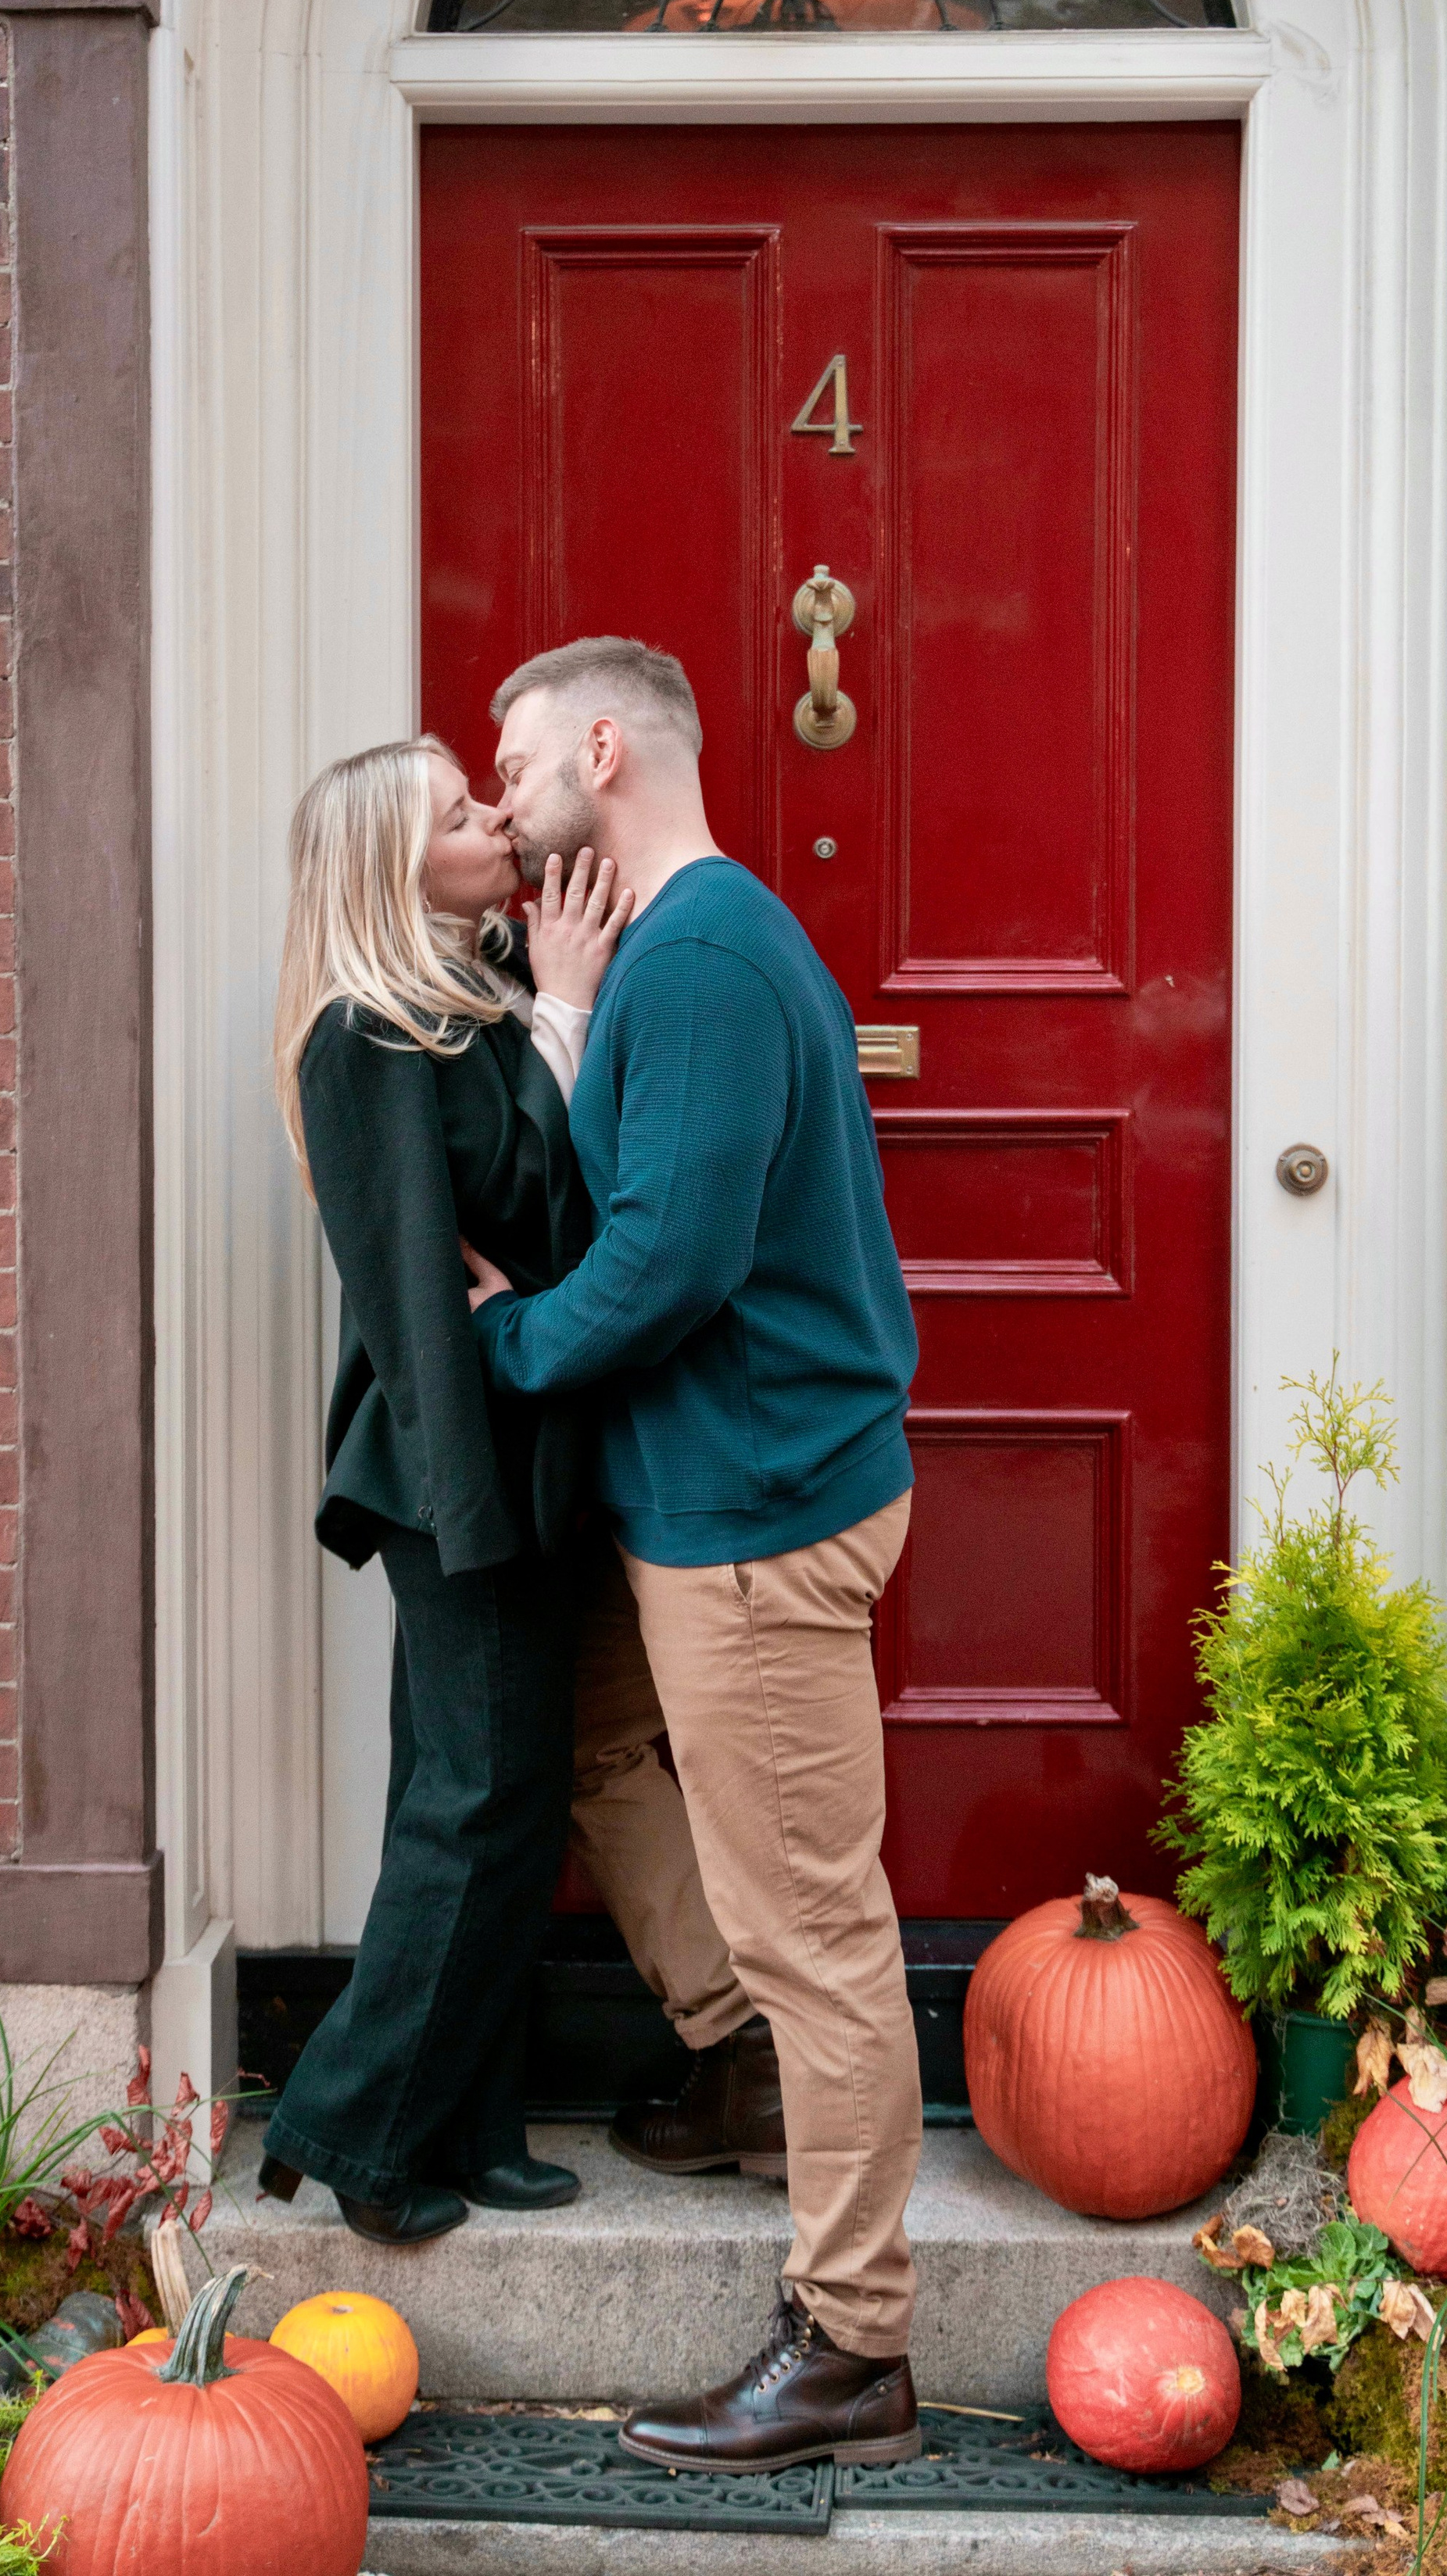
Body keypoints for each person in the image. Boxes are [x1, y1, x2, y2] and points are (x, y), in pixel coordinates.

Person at [463, 637, 926, 2476]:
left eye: (513, 759)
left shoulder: (717, 957)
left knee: (821, 1930)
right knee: (582, 1734)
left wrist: (500, 1343)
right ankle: (731, 2048)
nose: (499, 798)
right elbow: (623, 1194)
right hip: (686, 1500)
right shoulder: (660, 952)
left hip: (753, 1517)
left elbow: (664, 1262)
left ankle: (849, 2343)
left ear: (602, 746)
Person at [259, 735, 748, 2239]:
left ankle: (464, 2124)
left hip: (522, 1463)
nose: (492, 820)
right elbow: (426, 1296)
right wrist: (573, 1006)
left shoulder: (462, 1007)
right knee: (476, 1809)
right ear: (392, 865)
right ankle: (354, 2130)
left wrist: (550, 1006)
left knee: (489, 1800)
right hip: (455, 1482)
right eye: (460, 815)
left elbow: (550, 1206)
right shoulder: (364, 1035)